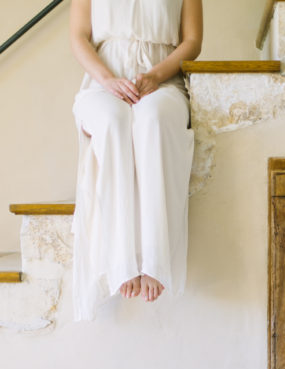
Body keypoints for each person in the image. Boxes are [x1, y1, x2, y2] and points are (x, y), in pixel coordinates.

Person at [69, 0, 203, 321]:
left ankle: (155, 261)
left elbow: (192, 41)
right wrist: (107, 80)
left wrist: (155, 75)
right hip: (103, 81)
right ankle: (121, 261)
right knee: (113, 121)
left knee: (153, 119)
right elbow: (78, 36)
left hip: (165, 80)